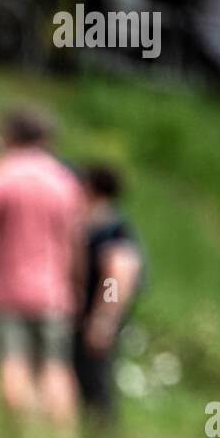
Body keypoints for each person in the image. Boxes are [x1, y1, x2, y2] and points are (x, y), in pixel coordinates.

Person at [0, 107, 84, 426]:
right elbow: (75, 239)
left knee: (12, 363)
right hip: (55, 291)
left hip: (9, 290)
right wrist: (76, 284)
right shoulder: (64, 180)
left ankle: (26, 437)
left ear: (9, 135)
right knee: (56, 366)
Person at [74, 165, 143, 423]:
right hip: (92, 314)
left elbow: (119, 273)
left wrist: (103, 319)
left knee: (96, 375)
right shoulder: (104, 225)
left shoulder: (112, 229)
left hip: (99, 316)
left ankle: (102, 429)